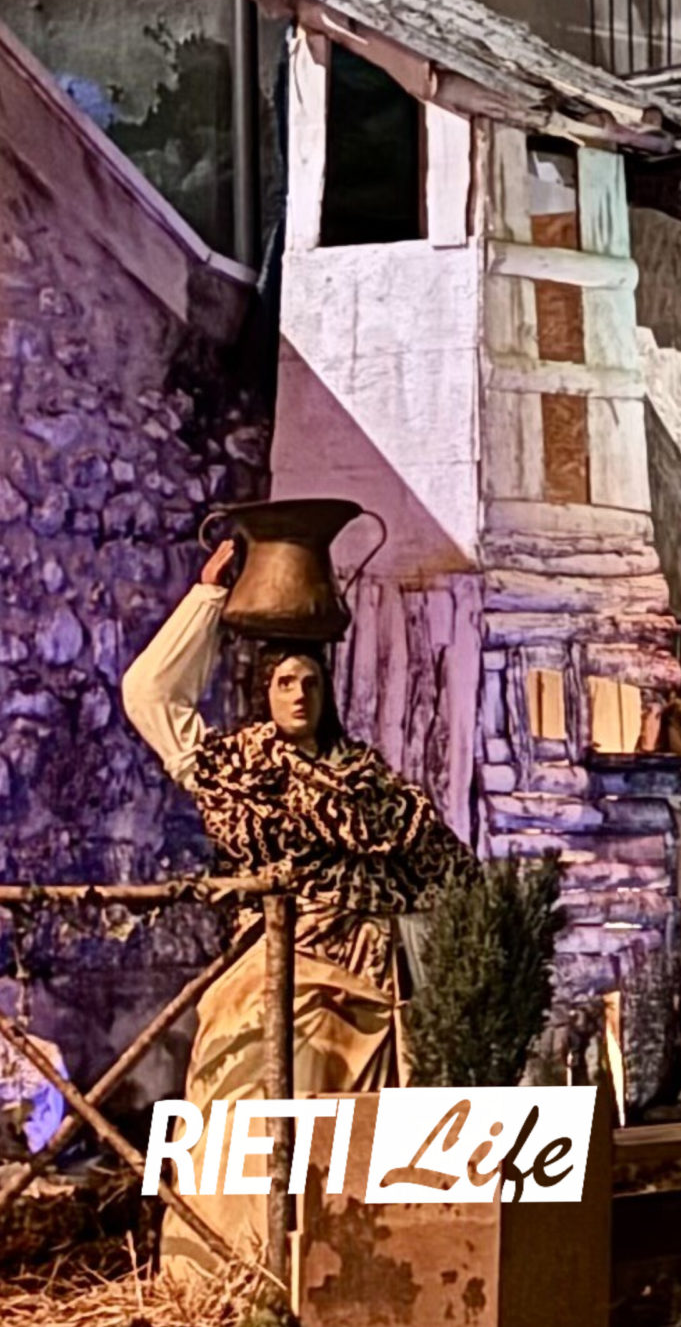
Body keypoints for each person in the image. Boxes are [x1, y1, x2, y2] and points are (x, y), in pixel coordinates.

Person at [123, 540, 475, 1280]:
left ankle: (350, 1279)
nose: (298, 695)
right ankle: (242, 1271)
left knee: (358, 1134)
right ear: (266, 690)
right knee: (258, 1101)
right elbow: (151, 695)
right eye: (284, 681)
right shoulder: (242, 772)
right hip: (281, 966)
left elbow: (450, 870)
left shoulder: (370, 785)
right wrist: (207, 598)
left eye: (310, 681)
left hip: (372, 978)